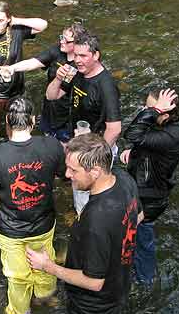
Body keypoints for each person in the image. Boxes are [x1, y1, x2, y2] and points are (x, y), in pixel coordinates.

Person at [26, 133, 142, 314]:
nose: (67, 175)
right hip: (119, 288)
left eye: (73, 170)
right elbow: (138, 217)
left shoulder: (96, 218)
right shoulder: (123, 180)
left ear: (96, 171)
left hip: (89, 310)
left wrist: (48, 266)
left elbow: (93, 281)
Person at [0, 97, 65, 314]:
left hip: (10, 230)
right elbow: (64, 174)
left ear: (7, 122)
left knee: (17, 276)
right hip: (44, 223)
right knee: (46, 261)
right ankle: (46, 297)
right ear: (33, 121)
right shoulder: (51, 145)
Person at [120, 88, 179, 285]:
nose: (145, 110)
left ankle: (146, 280)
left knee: (141, 238)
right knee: (133, 235)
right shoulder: (160, 127)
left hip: (150, 199)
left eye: (151, 108)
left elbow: (133, 133)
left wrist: (155, 110)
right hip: (141, 189)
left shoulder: (174, 135)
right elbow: (141, 141)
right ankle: (135, 271)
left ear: (165, 113)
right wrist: (133, 152)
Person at [46, 31, 122, 214]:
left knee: (91, 197)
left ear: (96, 55)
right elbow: (51, 96)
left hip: (97, 149)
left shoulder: (106, 85)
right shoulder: (77, 72)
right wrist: (58, 77)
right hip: (79, 143)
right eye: (76, 55)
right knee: (78, 189)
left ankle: (88, 226)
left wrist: (92, 156)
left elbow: (114, 128)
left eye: (83, 56)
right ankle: (83, 220)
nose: (78, 60)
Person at [0, 1, 48, 158]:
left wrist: (17, 21)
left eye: (0, 20)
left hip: (16, 91)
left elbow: (43, 25)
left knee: (16, 128)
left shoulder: (17, 31)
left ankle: (15, 158)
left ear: (8, 19)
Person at [0, 23, 86, 145]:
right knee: (48, 140)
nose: (62, 42)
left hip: (67, 115)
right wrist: (12, 68)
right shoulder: (57, 50)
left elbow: (60, 92)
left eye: (66, 41)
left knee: (64, 148)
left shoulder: (80, 65)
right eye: (61, 37)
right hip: (50, 109)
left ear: (78, 43)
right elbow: (35, 62)